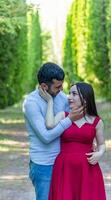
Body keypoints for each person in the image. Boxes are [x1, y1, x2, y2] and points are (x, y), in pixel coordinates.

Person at [23, 62, 84, 200]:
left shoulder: (62, 98)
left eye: (62, 85)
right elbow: (45, 136)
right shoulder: (31, 103)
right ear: (44, 86)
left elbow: (77, 124)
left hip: (64, 161)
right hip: (44, 165)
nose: (62, 89)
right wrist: (69, 119)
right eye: (58, 86)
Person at [42, 82, 106, 200]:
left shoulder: (97, 121)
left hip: (88, 170)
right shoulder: (63, 116)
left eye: (74, 94)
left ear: (85, 98)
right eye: (69, 93)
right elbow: (49, 124)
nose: (69, 97)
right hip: (64, 169)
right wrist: (50, 102)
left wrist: (100, 153)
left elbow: (102, 144)